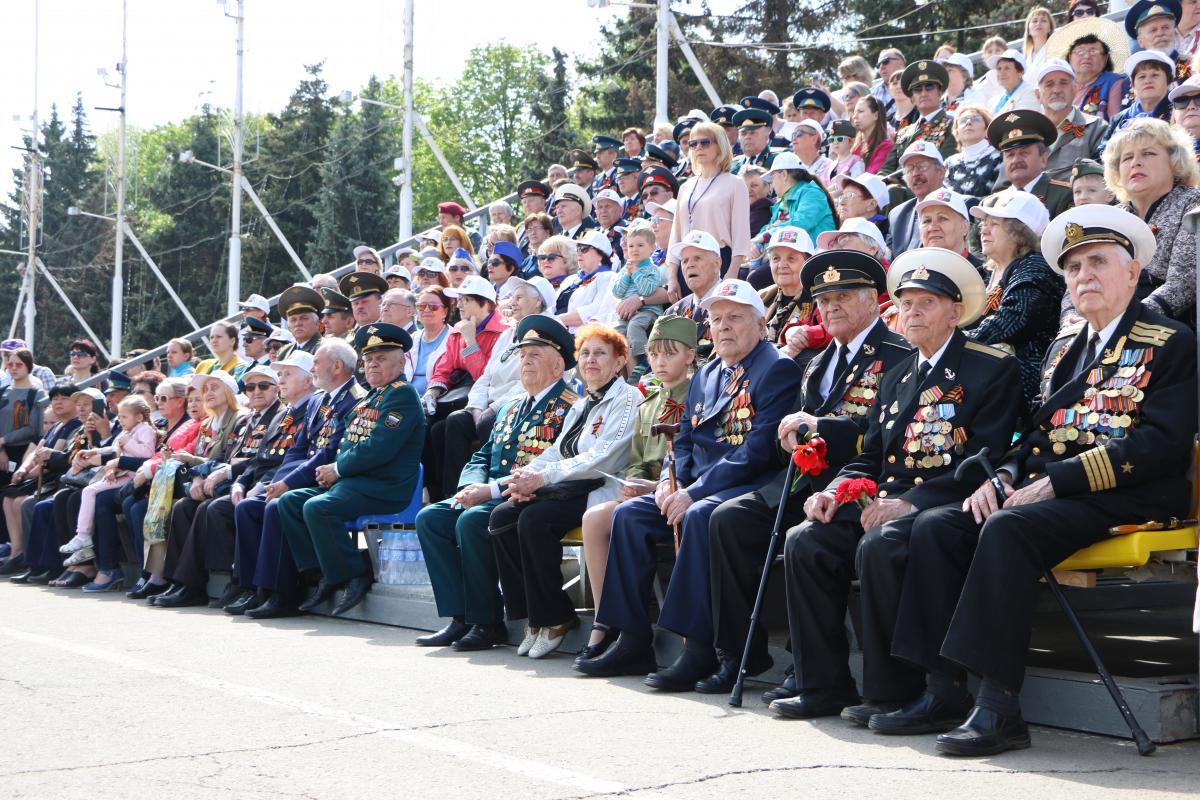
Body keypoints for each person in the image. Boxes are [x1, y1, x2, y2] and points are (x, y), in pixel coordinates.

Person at [895, 206, 1195, 756]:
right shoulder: (1065, 347)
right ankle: (941, 689)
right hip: (1057, 491)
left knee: (1010, 528)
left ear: (1132, 274)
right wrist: (1005, 472)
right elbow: (1038, 433)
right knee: (938, 526)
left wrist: (1057, 480)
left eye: (1098, 263)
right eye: (1074, 267)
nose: (1084, 276)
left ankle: (999, 706)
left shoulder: (1170, 340)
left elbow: (1159, 445)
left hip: (1131, 492)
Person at [769, 248, 1021, 723]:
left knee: (881, 544)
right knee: (806, 540)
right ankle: (822, 682)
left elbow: (982, 460)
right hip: (885, 497)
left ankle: (895, 691)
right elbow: (871, 454)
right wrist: (834, 489)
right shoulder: (900, 373)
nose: (912, 312)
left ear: (954, 311)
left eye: (926, 302)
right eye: (905, 303)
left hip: (944, 499)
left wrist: (909, 503)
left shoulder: (990, 367)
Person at [576, 279, 803, 685]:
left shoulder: (777, 367)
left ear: (760, 322)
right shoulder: (710, 371)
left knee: (698, 515)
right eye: (716, 319)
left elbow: (757, 452)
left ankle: (697, 648)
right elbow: (683, 439)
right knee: (629, 516)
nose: (724, 327)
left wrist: (692, 491)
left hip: (750, 485)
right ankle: (632, 639)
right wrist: (668, 481)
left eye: (735, 317)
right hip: (695, 485)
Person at [707, 251, 911, 699]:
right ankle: (738, 655)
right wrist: (792, 439)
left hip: (863, 480)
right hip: (805, 478)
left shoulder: (899, 355)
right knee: (728, 519)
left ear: (873, 301)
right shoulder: (817, 361)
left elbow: (884, 436)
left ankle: (811, 668)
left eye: (843, 296)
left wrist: (823, 430)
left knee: (807, 536)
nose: (830, 306)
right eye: (823, 298)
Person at [415, 315, 581, 650]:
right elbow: (482, 455)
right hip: (487, 489)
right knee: (430, 518)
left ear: (558, 363)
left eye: (535, 353)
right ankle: (459, 616)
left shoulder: (568, 407)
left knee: (473, 521)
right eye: (522, 354)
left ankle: (486, 621)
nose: (526, 360)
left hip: (522, 493)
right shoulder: (510, 407)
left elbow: (547, 464)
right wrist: (469, 485)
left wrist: (486, 491)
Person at [490, 323, 640, 658]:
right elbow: (558, 450)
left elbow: (603, 455)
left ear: (619, 361)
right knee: (502, 516)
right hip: (567, 487)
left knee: (534, 520)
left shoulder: (628, 398)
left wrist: (542, 480)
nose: (590, 360)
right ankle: (533, 615)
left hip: (600, 489)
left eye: (600, 353)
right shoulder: (582, 403)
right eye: (585, 353)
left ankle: (556, 616)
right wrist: (523, 476)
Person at [280, 323, 423, 618]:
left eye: (381, 358)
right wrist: (338, 470)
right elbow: (350, 443)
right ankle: (319, 573)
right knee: (290, 502)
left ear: (402, 362)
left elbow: (379, 448)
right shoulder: (372, 397)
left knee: (319, 508)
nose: (372, 364)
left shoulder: (402, 396)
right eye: (369, 359)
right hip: (356, 483)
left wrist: (338, 468)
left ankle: (354, 574)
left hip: (384, 487)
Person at [578, 315, 697, 661]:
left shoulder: (699, 395)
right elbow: (639, 459)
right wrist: (635, 482)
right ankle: (606, 621)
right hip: (649, 492)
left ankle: (630, 629)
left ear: (690, 356)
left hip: (680, 490)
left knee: (621, 518)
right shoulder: (649, 405)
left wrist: (655, 485)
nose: (659, 362)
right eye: (654, 354)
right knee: (596, 518)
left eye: (669, 353)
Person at [231, 346, 364, 618]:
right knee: (248, 508)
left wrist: (287, 485)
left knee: (276, 506)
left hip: (327, 478)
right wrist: (278, 482)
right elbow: (297, 449)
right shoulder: (317, 400)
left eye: (317, 363)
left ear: (336, 367)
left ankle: (283, 594)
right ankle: (253, 589)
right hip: (303, 476)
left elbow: (328, 453)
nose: (314, 368)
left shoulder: (355, 399)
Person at [1082, 117, 1200, 323]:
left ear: (1174, 163)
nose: (1136, 162)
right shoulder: (1109, 217)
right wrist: (1072, 320)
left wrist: (1121, 322)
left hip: (1168, 326)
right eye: (1127, 158)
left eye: (1148, 154)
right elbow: (1079, 278)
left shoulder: (1193, 203)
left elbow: (1183, 283)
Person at [968, 191, 1064, 413]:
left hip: (1021, 389)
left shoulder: (1035, 266)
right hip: (984, 378)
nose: (984, 230)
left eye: (995, 224)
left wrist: (954, 342)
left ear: (1020, 232)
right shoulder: (983, 274)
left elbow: (1013, 319)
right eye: (984, 223)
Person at [422, 277, 509, 499]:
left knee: (452, 423)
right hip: (457, 397)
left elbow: (486, 377)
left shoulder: (502, 332)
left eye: (466, 299)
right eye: (459, 299)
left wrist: (471, 342)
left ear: (486, 304)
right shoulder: (457, 331)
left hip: (489, 401)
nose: (459, 304)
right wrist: (433, 391)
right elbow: (444, 368)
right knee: (429, 425)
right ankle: (436, 493)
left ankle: (455, 494)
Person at [56, 395, 157, 566]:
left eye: (124, 416)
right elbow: (114, 448)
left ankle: (83, 537)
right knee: (88, 491)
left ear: (139, 416)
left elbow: (147, 454)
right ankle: (83, 540)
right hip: (123, 474)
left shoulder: (145, 429)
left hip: (134, 478)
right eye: (119, 416)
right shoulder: (127, 432)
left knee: (89, 491)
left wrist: (128, 444)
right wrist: (94, 452)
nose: (120, 420)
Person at [2, 382, 81, 581]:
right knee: (8, 499)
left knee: (25, 503)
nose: (58, 402)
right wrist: (22, 469)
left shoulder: (75, 425)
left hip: (56, 479)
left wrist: (34, 470)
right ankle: (18, 552)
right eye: (55, 398)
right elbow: (37, 450)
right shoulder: (55, 425)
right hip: (42, 477)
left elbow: (55, 456)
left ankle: (35, 561)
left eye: (64, 398)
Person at [670, 121, 753, 285]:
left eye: (705, 142)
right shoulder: (685, 187)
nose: (698, 147)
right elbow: (676, 235)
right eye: (693, 144)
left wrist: (732, 272)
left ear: (720, 146)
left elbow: (741, 236)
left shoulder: (735, 183)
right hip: (688, 263)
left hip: (720, 260)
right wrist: (673, 277)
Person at [984, 109, 1074, 220]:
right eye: (1010, 155)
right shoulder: (991, 204)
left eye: (1024, 153)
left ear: (1043, 159)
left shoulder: (1064, 196)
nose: (1016, 160)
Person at [879, 60, 958, 177]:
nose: (924, 93)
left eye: (929, 87)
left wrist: (896, 179)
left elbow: (944, 162)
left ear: (940, 92)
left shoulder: (953, 123)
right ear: (912, 98)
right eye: (917, 89)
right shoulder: (904, 132)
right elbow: (887, 168)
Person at [611, 221, 666, 381]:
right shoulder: (625, 269)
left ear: (652, 248)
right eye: (631, 246)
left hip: (648, 311)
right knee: (616, 335)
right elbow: (617, 291)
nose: (634, 250)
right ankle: (618, 370)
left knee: (635, 327)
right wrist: (627, 275)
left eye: (640, 245)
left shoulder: (652, 268)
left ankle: (643, 359)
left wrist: (635, 273)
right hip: (626, 314)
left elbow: (647, 290)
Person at [1034, 59, 1106, 181]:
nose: (1056, 90)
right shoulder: (1027, 132)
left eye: (1063, 83)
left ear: (1075, 90)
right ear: (1037, 95)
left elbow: (1102, 179)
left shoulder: (1096, 128)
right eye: (1049, 84)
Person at [662, 231, 724, 367]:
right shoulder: (672, 313)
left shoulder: (733, 304)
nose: (690, 265)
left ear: (717, 263)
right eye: (684, 261)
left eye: (697, 258)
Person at [1049, 18, 1130, 120]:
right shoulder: (1063, 86)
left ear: (1105, 58)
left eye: (1094, 52)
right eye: (1080, 51)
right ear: (1069, 57)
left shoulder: (1115, 83)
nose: (1087, 56)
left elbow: (1116, 125)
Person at [1099, 50, 1175, 152]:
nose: (1147, 80)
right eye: (1142, 76)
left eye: (1155, 75)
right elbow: (1102, 154)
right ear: (1133, 85)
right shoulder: (1120, 118)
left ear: (1168, 82)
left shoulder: (1177, 113)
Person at [888, 141, 948, 257]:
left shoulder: (962, 205)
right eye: (909, 169)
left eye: (922, 166)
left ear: (941, 171)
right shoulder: (897, 215)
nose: (915, 173)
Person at [554, 230, 619, 332]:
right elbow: (551, 305)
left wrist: (555, 320)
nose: (579, 253)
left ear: (600, 255)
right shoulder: (572, 279)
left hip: (579, 339)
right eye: (578, 248)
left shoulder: (610, 278)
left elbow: (594, 311)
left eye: (584, 249)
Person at [943, 106, 1002, 200]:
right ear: (956, 132)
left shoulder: (1000, 157)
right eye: (963, 120)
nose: (968, 123)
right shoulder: (949, 163)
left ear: (987, 129)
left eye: (976, 119)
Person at [410, 288, 452, 396]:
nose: (427, 310)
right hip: (406, 398)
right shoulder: (411, 339)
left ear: (445, 312)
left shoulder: (455, 338)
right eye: (422, 306)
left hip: (437, 400)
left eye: (433, 306)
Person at [836, 173, 891, 241]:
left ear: (871, 204)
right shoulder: (840, 233)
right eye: (842, 196)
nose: (841, 202)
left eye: (849, 195)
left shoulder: (888, 232)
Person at [277, 286, 326, 357]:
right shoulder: (284, 353)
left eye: (304, 318)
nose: (298, 324)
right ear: (289, 326)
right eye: (293, 320)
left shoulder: (325, 349)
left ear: (317, 323)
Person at [850, 97, 893, 176]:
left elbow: (870, 177)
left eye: (860, 111)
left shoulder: (886, 146)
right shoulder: (856, 146)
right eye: (854, 112)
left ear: (876, 115)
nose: (854, 116)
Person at [987, 49, 1039, 114]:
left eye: (1007, 68)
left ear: (1020, 72)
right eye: (999, 69)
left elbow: (1019, 118)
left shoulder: (1032, 92)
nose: (1001, 73)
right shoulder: (992, 101)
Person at [789, 122, 834, 187]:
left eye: (798, 134)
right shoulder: (791, 166)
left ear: (814, 139)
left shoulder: (829, 166)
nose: (794, 138)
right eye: (793, 134)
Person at [518, 213, 554, 278]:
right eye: (529, 229)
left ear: (547, 232)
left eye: (537, 228)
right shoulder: (527, 260)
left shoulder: (552, 257)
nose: (533, 232)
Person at [1024, 7, 1056, 75]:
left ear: (1049, 29)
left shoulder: (1056, 53)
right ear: (1028, 30)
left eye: (1043, 20)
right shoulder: (1025, 59)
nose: (1038, 23)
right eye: (1034, 21)